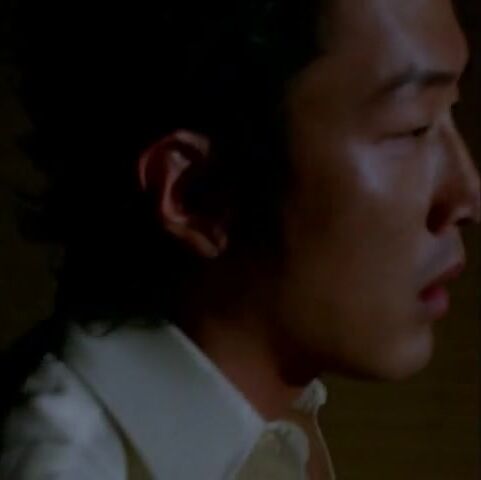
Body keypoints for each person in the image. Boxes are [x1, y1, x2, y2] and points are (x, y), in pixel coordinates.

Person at [1, 0, 480, 478]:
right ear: (197, 194)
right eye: (414, 128)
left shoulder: (270, 425)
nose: (467, 195)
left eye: (452, 108)